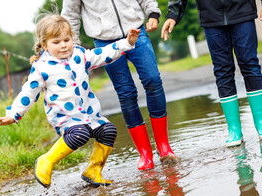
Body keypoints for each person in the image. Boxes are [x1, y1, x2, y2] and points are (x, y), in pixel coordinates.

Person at [0, 14, 140, 188]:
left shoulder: (80, 55)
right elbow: (28, 93)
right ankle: (46, 160)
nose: (63, 45)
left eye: (66, 40)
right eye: (56, 42)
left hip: (89, 114)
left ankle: (93, 170)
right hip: (65, 118)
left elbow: (104, 54)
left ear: (72, 39)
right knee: (80, 134)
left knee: (108, 131)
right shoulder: (41, 67)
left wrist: (126, 43)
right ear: (44, 45)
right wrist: (13, 114)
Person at [61, 0, 180, 171]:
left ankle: (164, 148)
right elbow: (70, 15)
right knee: (126, 93)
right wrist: (74, 50)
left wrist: (153, 13)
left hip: (137, 31)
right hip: (105, 41)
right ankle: (145, 154)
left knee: (153, 80)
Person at [161, 0, 262, 147]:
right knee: (222, 71)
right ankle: (234, 129)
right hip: (211, 16)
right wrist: (173, 14)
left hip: (242, 9)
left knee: (250, 64)